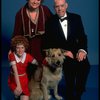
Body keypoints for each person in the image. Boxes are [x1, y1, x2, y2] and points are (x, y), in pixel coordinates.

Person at [42, 0, 90, 100]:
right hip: (61, 54)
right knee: (70, 69)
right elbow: (48, 43)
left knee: (85, 66)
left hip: (76, 51)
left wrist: (82, 50)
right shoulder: (50, 22)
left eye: (62, 6)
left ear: (66, 5)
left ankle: (79, 90)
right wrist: (63, 52)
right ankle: (70, 92)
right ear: (54, 8)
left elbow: (82, 37)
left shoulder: (76, 18)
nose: (60, 9)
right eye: (57, 6)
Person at [11, 0, 53, 81]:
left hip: (43, 46)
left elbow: (54, 26)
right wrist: (12, 50)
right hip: (28, 48)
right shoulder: (20, 13)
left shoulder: (45, 10)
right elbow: (16, 34)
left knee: (44, 72)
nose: (35, 1)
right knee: (29, 74)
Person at [8, 35, 38, 100]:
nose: (20, 50)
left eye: (22, 47)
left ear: (25, 48)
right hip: (14, 80)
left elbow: (36, 62)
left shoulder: (27, 56)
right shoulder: (12, 56)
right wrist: (18, 87)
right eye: (18, 48)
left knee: (25, 98)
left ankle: (19, 95)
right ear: (15, 48)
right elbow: (15, 72)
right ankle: (16, 95)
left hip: (24, 80)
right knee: (17, 93)